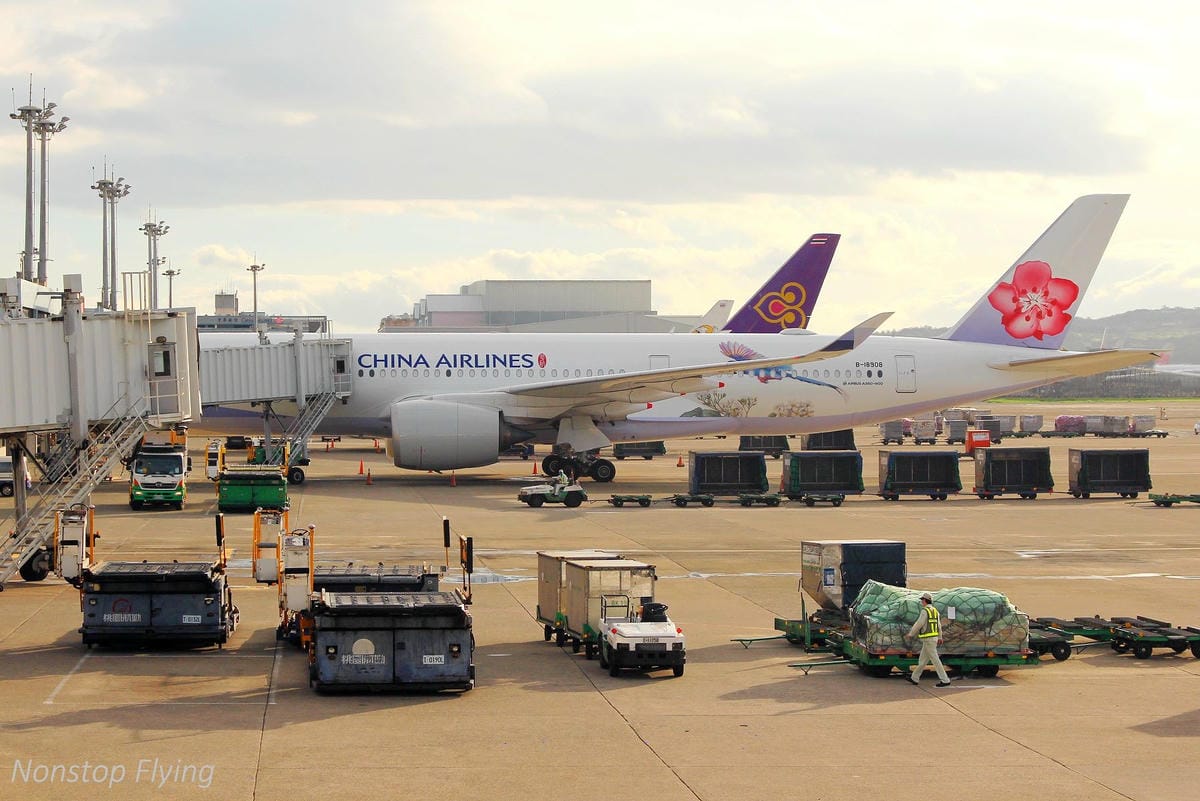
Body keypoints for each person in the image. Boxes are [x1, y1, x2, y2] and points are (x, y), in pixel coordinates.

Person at [907, 592, 951, 688]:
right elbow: (939, 625)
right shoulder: (935, 611)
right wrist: (940, 637)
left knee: (935, 660)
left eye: (922, 600)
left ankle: (945, 680)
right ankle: (914, 678)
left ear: (925, 601)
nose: (921, 602)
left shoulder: (925, 611)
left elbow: (919, 623)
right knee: (922, 660)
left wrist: (911, 634)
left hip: (928, 639)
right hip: (932, 639)